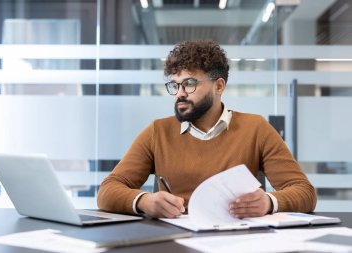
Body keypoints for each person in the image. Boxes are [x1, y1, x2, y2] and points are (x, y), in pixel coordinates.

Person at [97, 39, 317, 219]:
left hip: (238, 241)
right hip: (173, 240)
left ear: (218, 86)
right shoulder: (158, 131)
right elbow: (107, 190)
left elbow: (304, 191)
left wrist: (269, 202)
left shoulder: (256, 128)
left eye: (190, 83)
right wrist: (144, 201)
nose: (180, 93)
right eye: (175, 85)